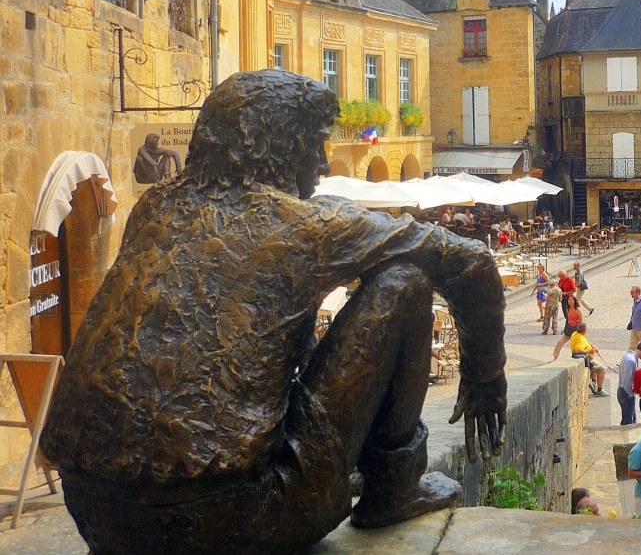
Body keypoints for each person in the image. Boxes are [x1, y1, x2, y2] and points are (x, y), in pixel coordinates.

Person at [41, 70, 507, 552]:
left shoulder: (154, 209)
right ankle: (394, 487)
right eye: (317, 143)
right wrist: (486, 378)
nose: (324, 165)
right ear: (279, 144)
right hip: (233, 520)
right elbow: (471, 262)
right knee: (405, 283)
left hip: (98, 515)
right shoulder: (307, 224)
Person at [569, 322, 607, 396]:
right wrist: (590, 351)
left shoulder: (576, 334)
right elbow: (577, 349)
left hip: (589, 358)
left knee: (596, 366)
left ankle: (593, 382)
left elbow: (586, 340)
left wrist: (593, 346)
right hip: (588, 359)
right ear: (584, 330)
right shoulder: (580, 339)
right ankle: (599, 390)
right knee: (602, 369)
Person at [618, 342, 641, 426]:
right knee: (628, 423)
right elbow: (627, 381)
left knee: (630, 419)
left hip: (624, 392)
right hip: (626, 394)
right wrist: (631, 393)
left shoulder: (629, 356)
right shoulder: (631, 361)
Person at [551, 295, 584, 360]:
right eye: (569, 300)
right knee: (560, 342)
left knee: (577, 345)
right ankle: (555, 357)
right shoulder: (567, 309)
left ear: (574, 301)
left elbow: (581, 321)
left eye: (572, 300)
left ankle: (580, 358)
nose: (570, 301)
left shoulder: (578, 310)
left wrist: (580, 332)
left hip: (576, 330)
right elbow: (568, 320)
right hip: (569, 329)